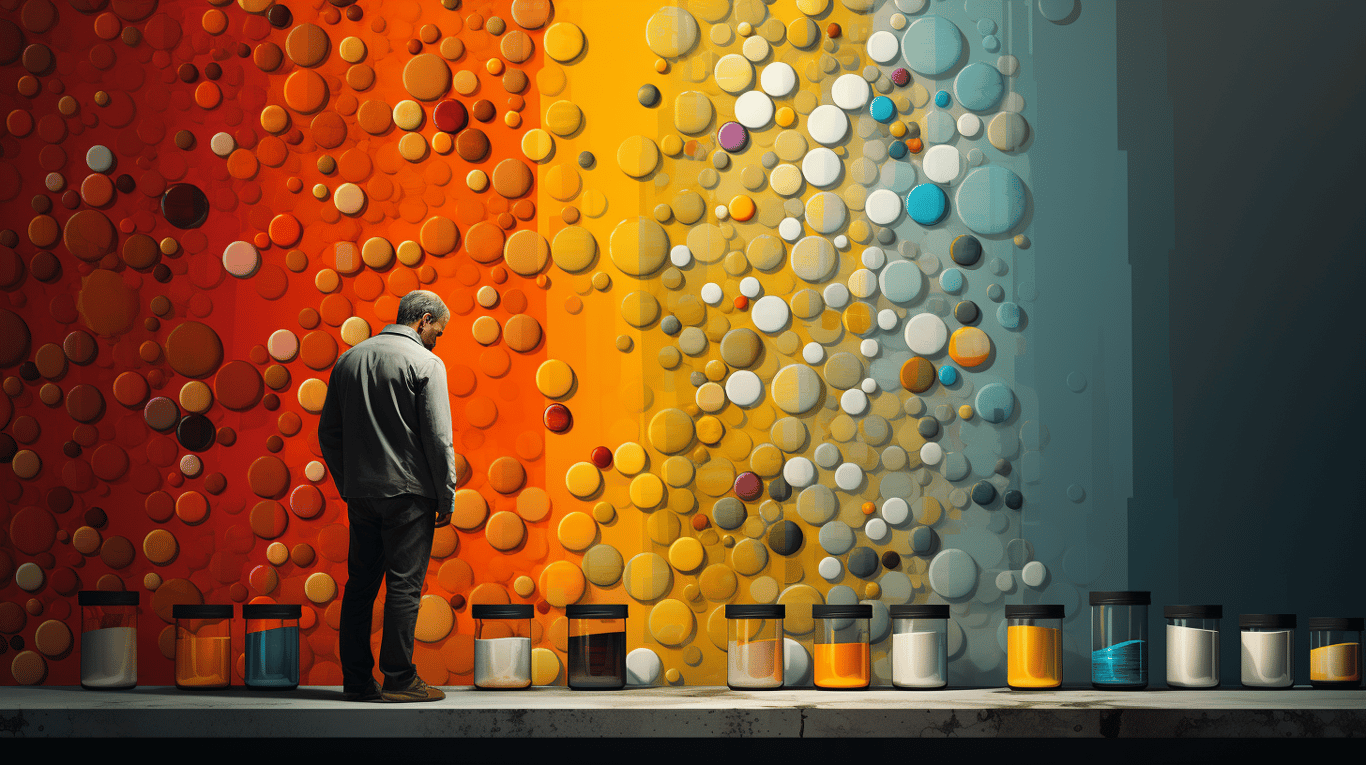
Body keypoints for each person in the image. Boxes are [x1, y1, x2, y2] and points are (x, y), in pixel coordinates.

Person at [318, 289, 466, 703]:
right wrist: (447, 496)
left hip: (362, 494)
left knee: (360, 585)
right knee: (404, 587)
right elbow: (438, 439)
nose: (438, 337)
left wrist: (349, 482)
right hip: (409, 494)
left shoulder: (348, 360)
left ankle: (357, 681)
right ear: (422, 319)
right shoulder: (426, 363)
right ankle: (399, 677)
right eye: (438, 328)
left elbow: (328, 432)